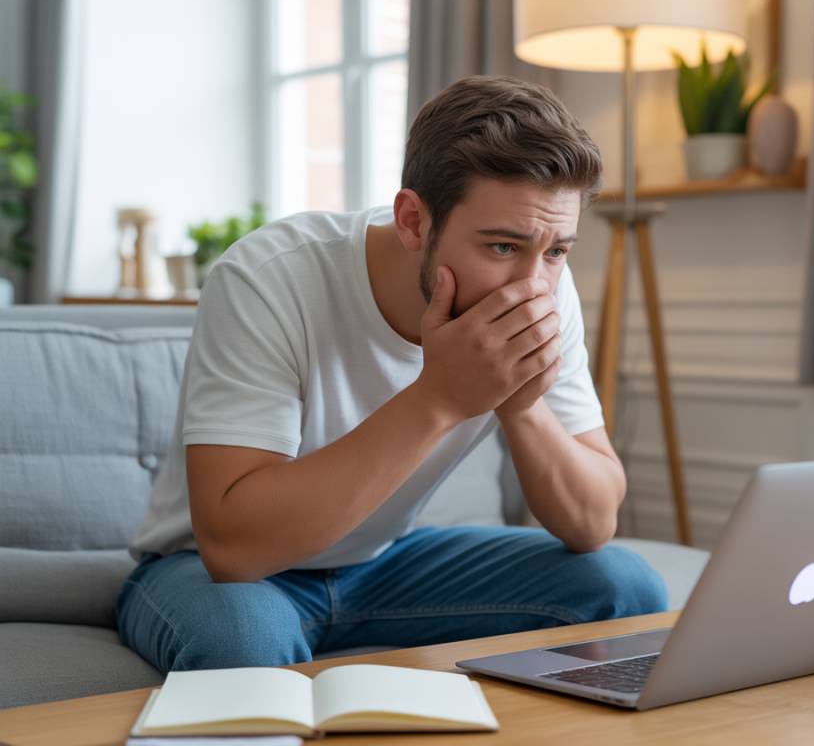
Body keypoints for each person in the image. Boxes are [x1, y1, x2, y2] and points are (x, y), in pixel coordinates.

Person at [117, 75, 668, 674]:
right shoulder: (269, 277)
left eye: (557, 250)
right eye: (502, 248)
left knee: (625, 586)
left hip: (387, 564)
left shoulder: (546, 291)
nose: (531, 287)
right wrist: (439, 399)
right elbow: (233, 549)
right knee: (242, 639)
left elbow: (592, 523)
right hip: (210, 571)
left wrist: (519, 401)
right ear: (413, 221)